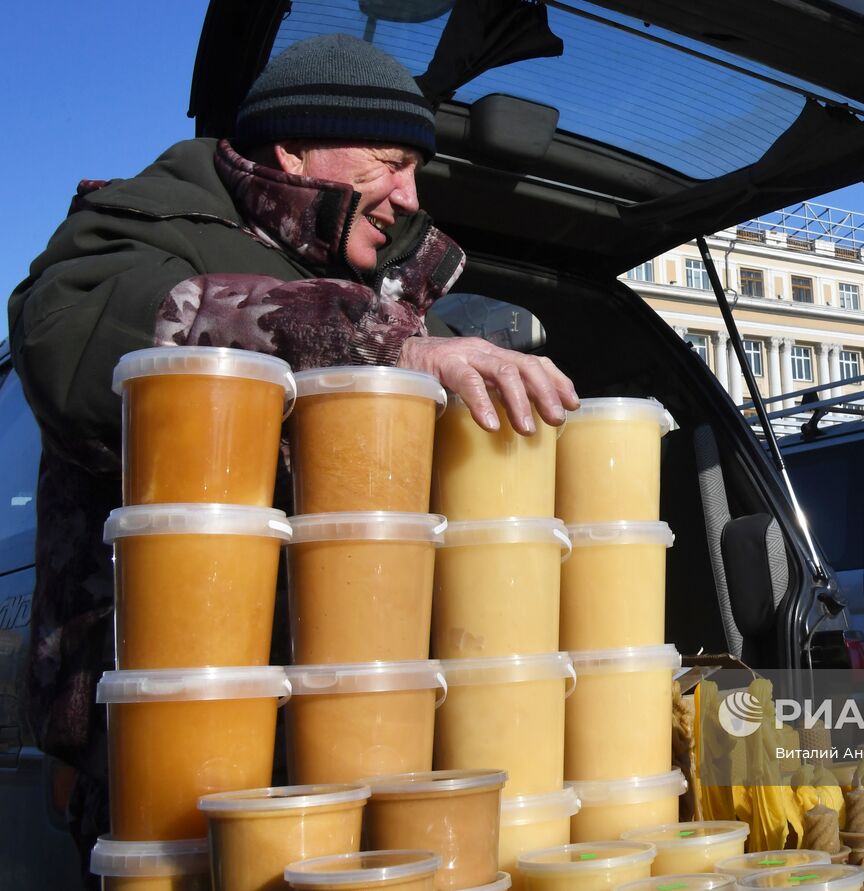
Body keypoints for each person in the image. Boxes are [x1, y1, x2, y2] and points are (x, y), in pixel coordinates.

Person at [7, 33, 576, 882]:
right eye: (390, 163)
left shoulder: (395, 289)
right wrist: (379, 347)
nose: (410, 195)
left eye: (416, 170)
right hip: (188, 748)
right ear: (295, 148)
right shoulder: (154, 223)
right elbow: (72, 340)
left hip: (371, 726)